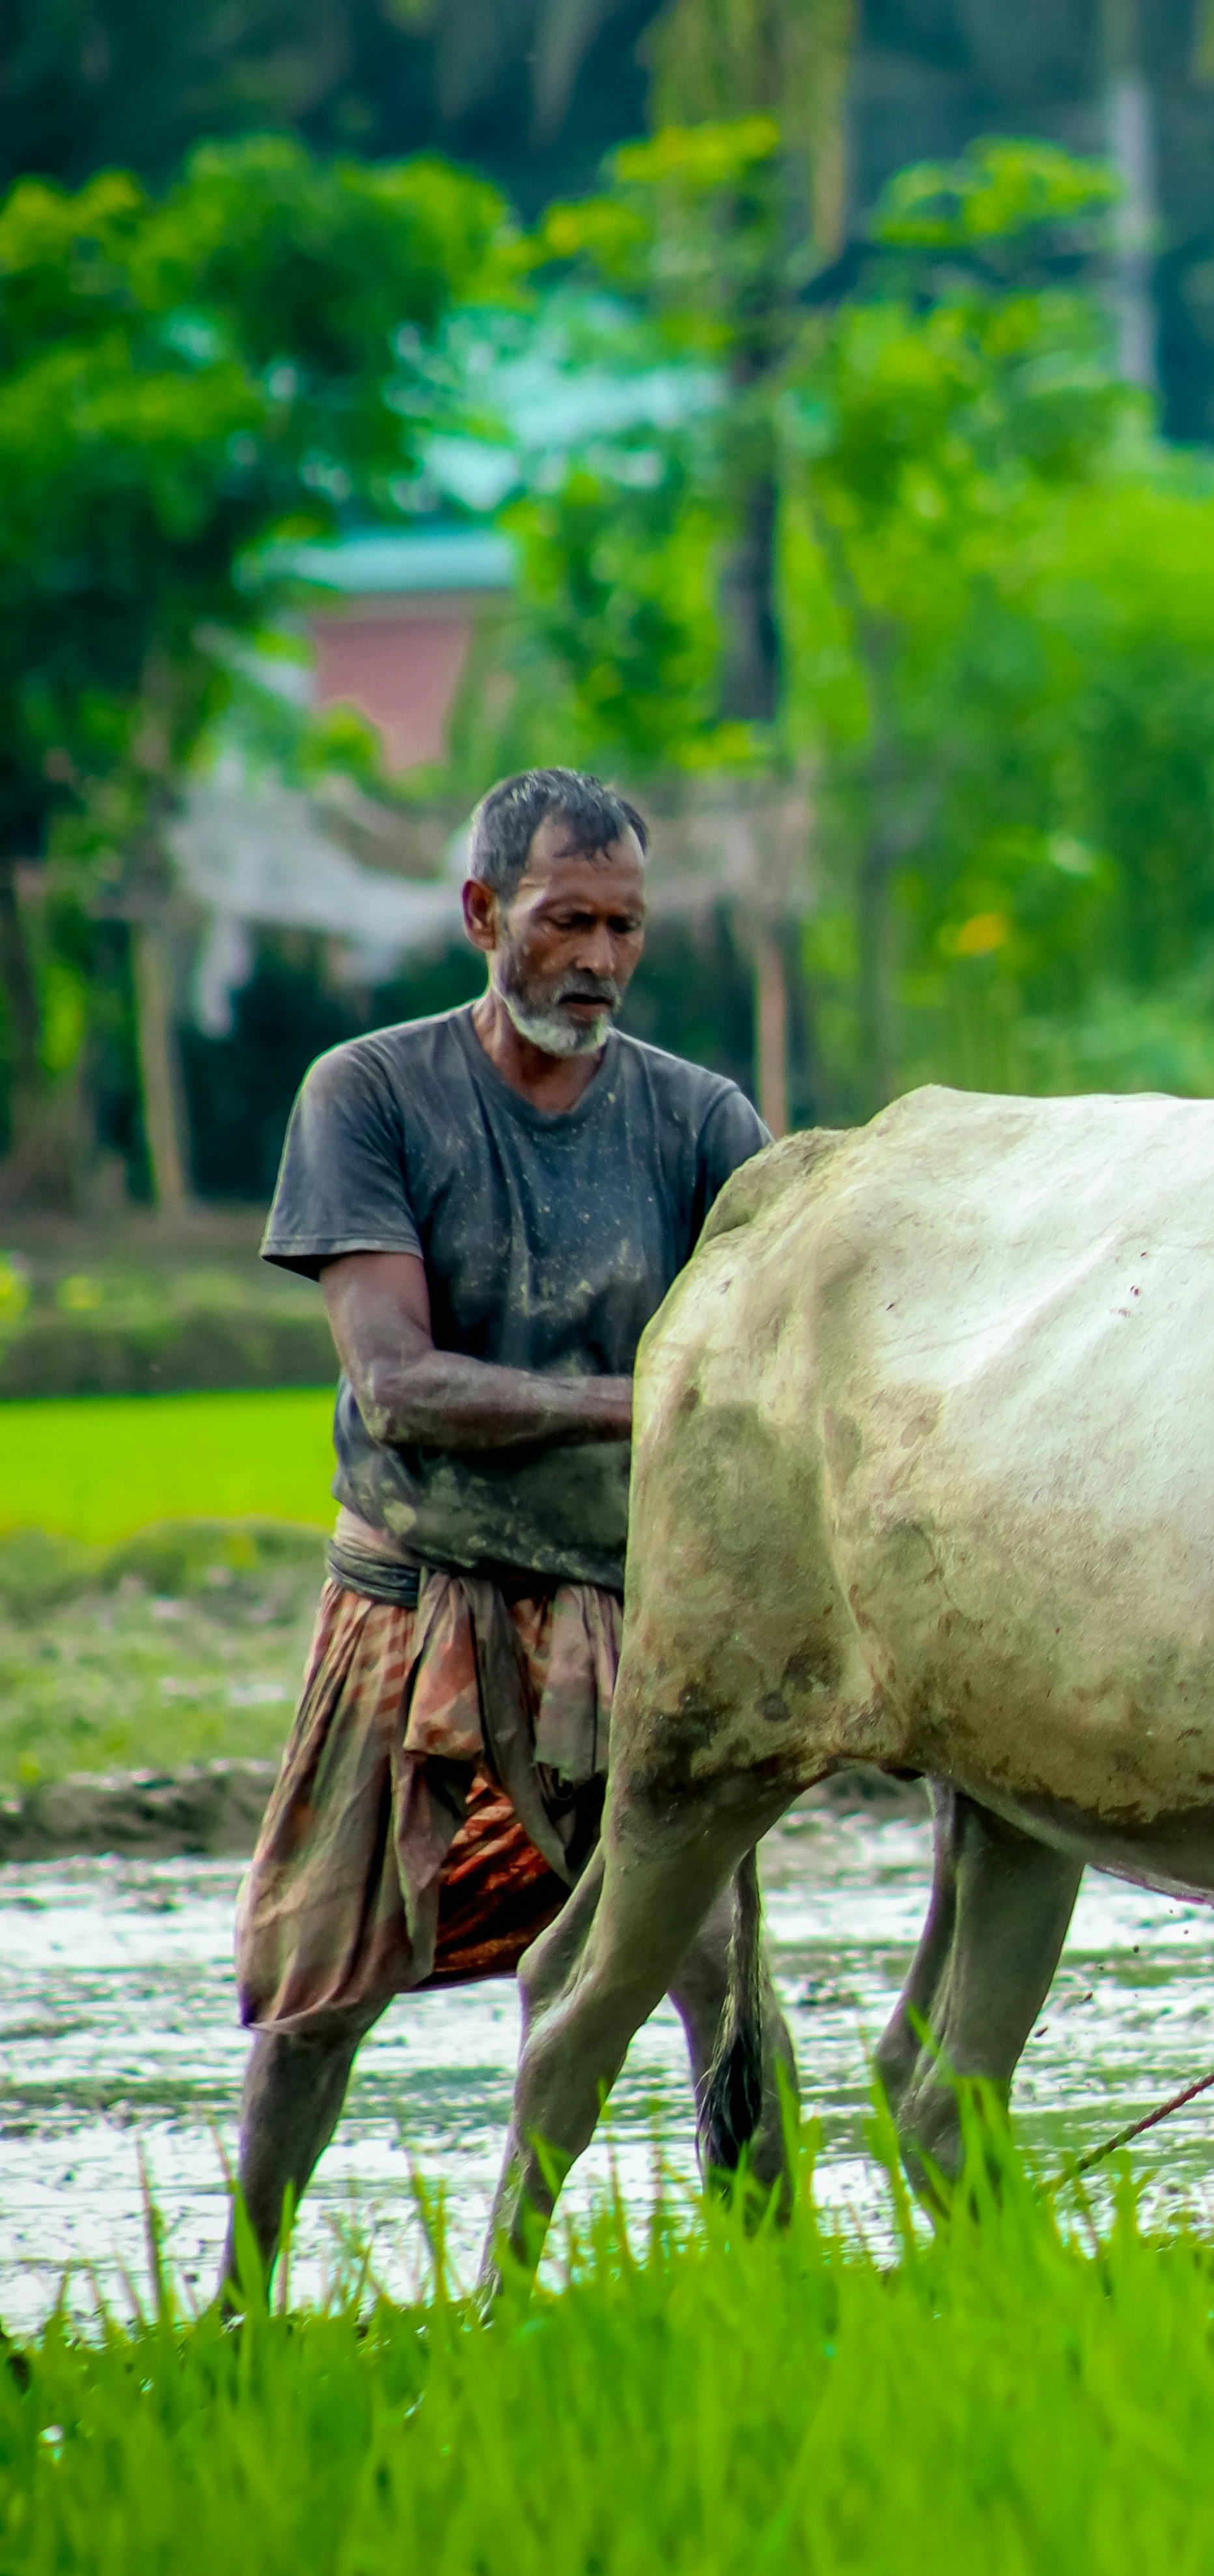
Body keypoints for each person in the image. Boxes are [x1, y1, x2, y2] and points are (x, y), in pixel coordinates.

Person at [227, 767, 788, 2289]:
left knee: (709, 1962)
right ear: (486, 914)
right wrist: (649, 1401)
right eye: (564, 922)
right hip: (412, 1591)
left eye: (623, 927)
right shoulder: (372, 1092)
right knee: (318, 1978)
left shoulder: (697, 1121)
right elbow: (397, 1382)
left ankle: (767, 2272)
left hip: (624, 1601)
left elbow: (775, 1347)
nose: (596, 960)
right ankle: (239, 2289)